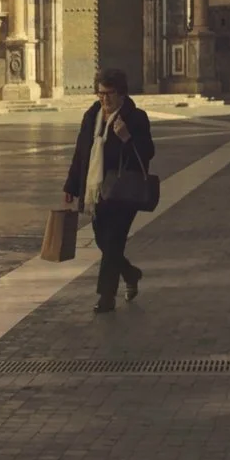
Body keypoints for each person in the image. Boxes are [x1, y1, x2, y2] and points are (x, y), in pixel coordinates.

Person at [64, 67, 155, 315]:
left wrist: (126, 137)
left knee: (113, 241)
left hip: (123, 192)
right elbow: (81, 153)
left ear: (122, 94)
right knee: (104, 241)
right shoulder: (92, 115)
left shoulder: (136, 118)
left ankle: (106, 297)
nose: (104, 99)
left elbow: (147, 152)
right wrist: (71, 186)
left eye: (109, 94)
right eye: (100, 94)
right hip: (98, 192)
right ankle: (130, 273)